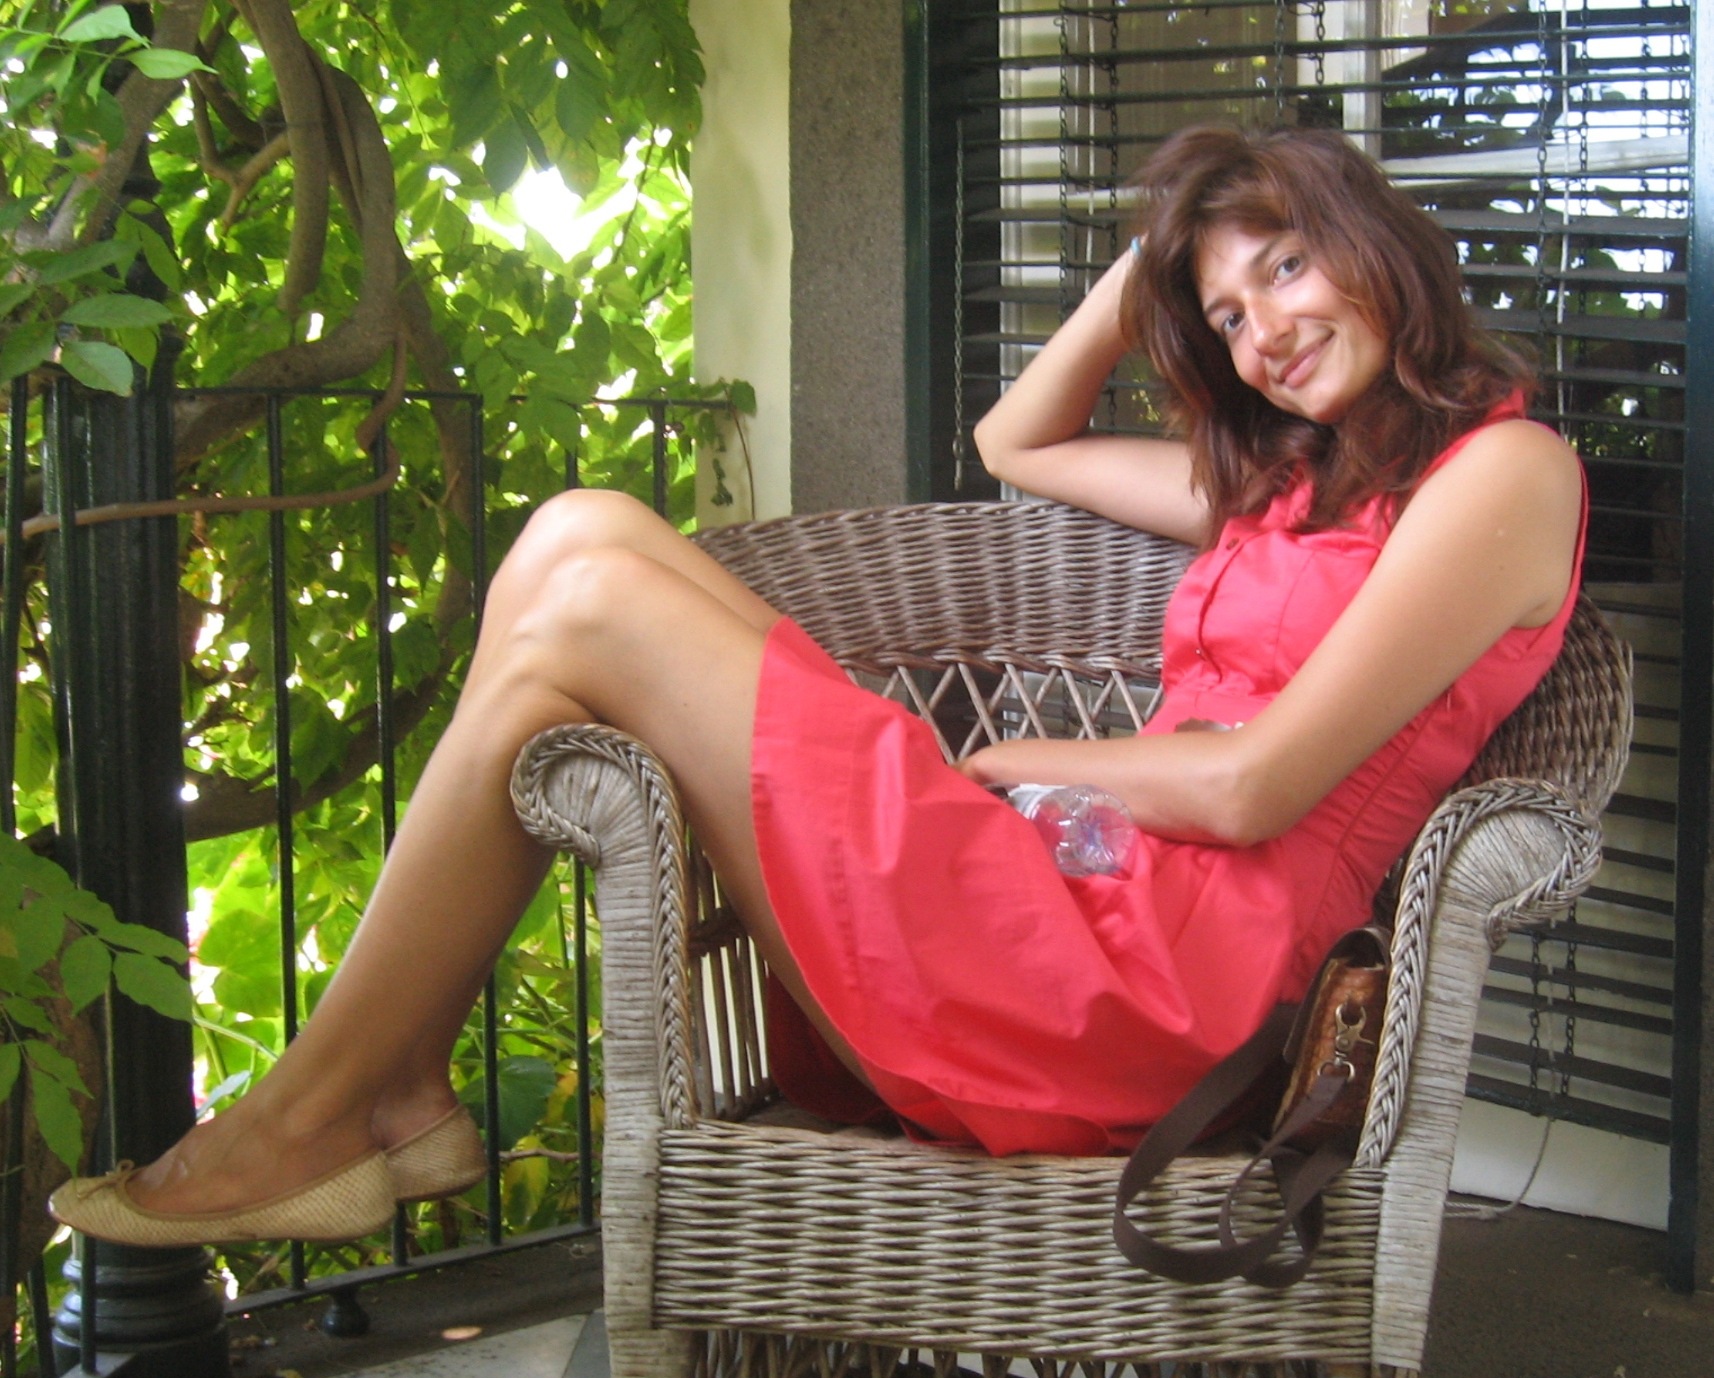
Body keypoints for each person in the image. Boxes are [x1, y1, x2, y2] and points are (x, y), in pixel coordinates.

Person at [51, 124, 1584, 1246]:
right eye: (1229, 317)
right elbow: (1016, 444)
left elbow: (1255, 785)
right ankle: (378, 1093)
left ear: (1374, 244)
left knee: (587, 605)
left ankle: (334, 1107)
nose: (1262, 335)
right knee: (580, 528)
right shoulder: (1292, 488)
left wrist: (1017, 763)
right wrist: (1154, 267)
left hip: (1156, 997)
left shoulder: (1501, 473)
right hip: (1067, 890)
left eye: (1289, 267)